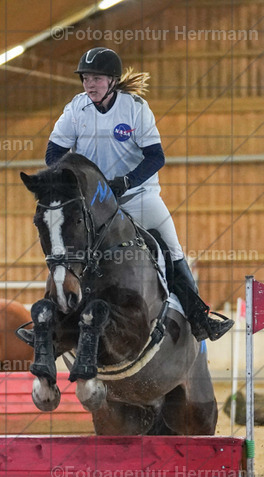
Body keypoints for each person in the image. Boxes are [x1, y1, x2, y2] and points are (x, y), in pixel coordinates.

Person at [40, 46, 233, 342]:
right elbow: (53, 153)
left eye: (96, 79)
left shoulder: (135, 108)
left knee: (172, 247)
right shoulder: (75, 109)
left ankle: (198, 317)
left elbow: (156, 157)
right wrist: (76, 179)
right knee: (65, 244)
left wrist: (125, 182)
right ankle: (50, 323)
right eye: (86, 79)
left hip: (138, 196)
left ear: (113, 81)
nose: (89, 85)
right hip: (95, 204)